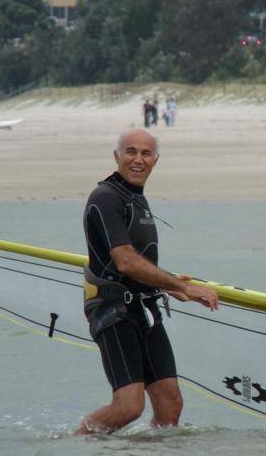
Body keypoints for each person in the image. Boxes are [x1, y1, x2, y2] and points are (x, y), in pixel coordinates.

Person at [77, 129, 219, 434]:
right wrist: (183, 287)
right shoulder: (105, 198)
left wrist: (167, 284)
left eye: (146, 153)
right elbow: (125, 261)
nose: (138, 159)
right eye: (131, 152)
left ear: (156, 159)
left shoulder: (135, 197)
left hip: (144, 308)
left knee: (170, 403)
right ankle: (73, 446)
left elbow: (139, 261)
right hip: (113, 310)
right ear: (117, 156)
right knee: (129, 406)